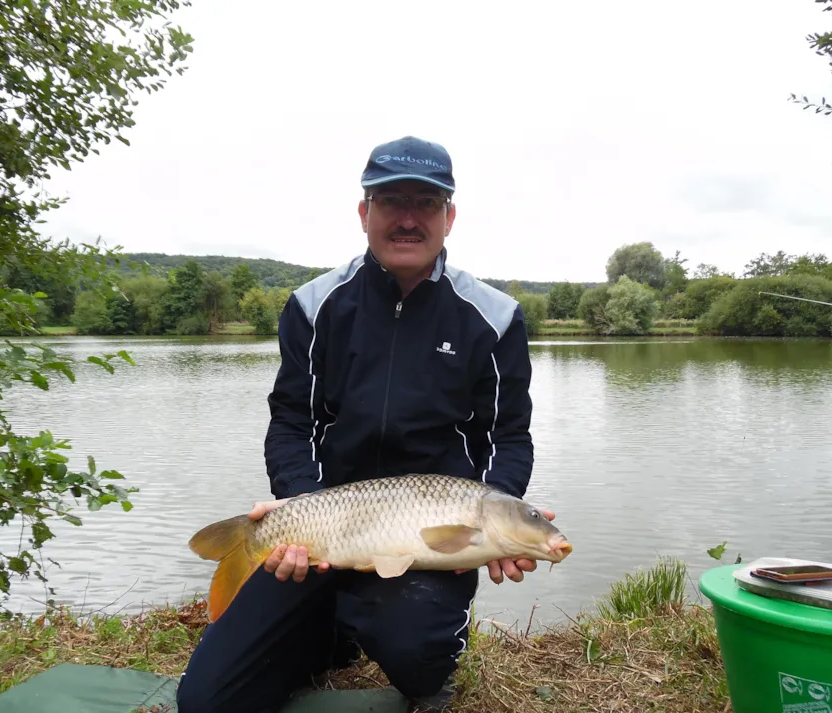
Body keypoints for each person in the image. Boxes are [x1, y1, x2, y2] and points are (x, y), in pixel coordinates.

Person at [176, 136, 551, 713]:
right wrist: (299, 507)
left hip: (430, 533)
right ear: (363, 213)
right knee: (208, 702)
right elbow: (291, 423)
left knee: (415, 653)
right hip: (326, 525)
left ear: (449, 217)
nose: (407, 218)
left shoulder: (494, 317)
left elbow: (509, 436)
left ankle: (410, 642)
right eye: (390, 201)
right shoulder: (313, 305)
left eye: (425, 204)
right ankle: (333, 631)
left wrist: (500, 517)